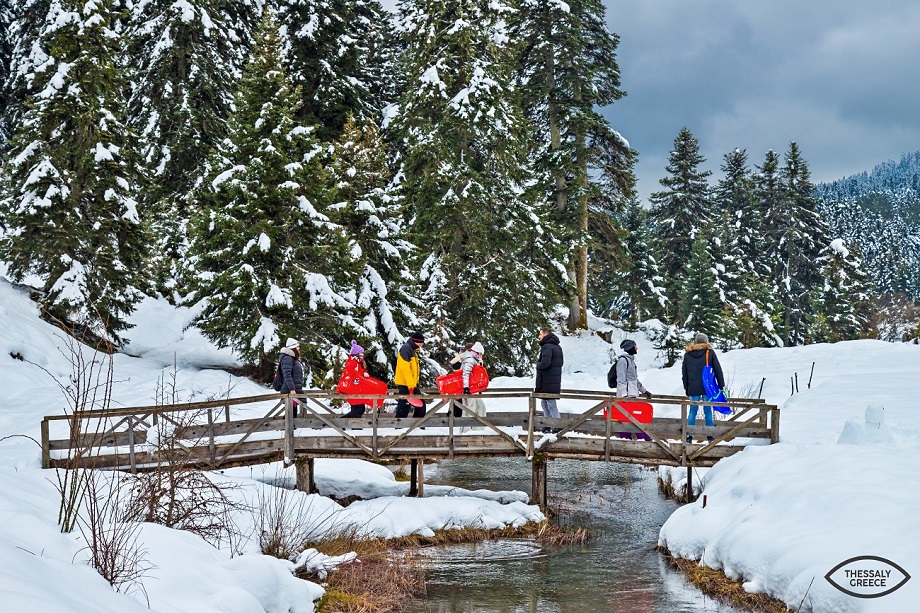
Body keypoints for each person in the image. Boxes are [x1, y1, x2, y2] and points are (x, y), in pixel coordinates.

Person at [682, 332, 725, 443]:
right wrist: (721, 385)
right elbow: (718, 370)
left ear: (695, 342)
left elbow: (684, 373)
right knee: (708, 411)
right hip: (708, 387)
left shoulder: (688, 354)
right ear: (706, 342)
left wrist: (686, 387)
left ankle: (689, 436)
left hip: (693, 387)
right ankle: (710, 436)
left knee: (692, 411)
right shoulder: (710, 353)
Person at [534, 327, 563, 425]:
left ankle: (556, 426)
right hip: (552, 380)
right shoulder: (557, 347)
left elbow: (545, 363)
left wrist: (537, 365)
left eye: (540, 334)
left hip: (547, 381)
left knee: (550, 404)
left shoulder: (547, 347)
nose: (539, 336)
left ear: (545, 335)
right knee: (545, 403)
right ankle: (548, 425)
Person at [395, 331, 426, 418]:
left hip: (410, 383)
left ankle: (416, 423)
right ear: (417, 342)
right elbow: (405, 369)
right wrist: (411, 384)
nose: (422, 345)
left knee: (420, 405)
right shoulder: (406, 349)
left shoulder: (412, 350)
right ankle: (399, 424)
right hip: (406, 384)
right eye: (421, 343)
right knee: (404, 405)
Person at [452, 341, 484, 417]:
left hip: (470, 386)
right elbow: (462, 371)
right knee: (469, 407)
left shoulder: (473, 358)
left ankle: (469, 424)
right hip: (467, 386)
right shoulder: (469, 359)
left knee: (473, 407)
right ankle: (467, 425)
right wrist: (466, 387)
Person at [343, 340, 370, 418]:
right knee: (356, 410)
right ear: (356, 354)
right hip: (353, 389)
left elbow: (362, 373)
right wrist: (359, 378)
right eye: (361, 353)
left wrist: (365, 372)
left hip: (358, 389)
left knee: (361, 409)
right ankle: (355, 427)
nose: (362, 355)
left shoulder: (359, 363)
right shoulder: (352, 363)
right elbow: (351, 374)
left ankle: (342, 422)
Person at [279, 337, 305, 417]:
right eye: (297, 346)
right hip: (290, 390)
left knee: (292, 412)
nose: (299, 348)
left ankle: (289, 427)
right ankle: (284, 427)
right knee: (290, 413)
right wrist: (292, 388)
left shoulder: (292, 358)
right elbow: (287, 375)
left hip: (293, 390)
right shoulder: (288, 358)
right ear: (293, 348)